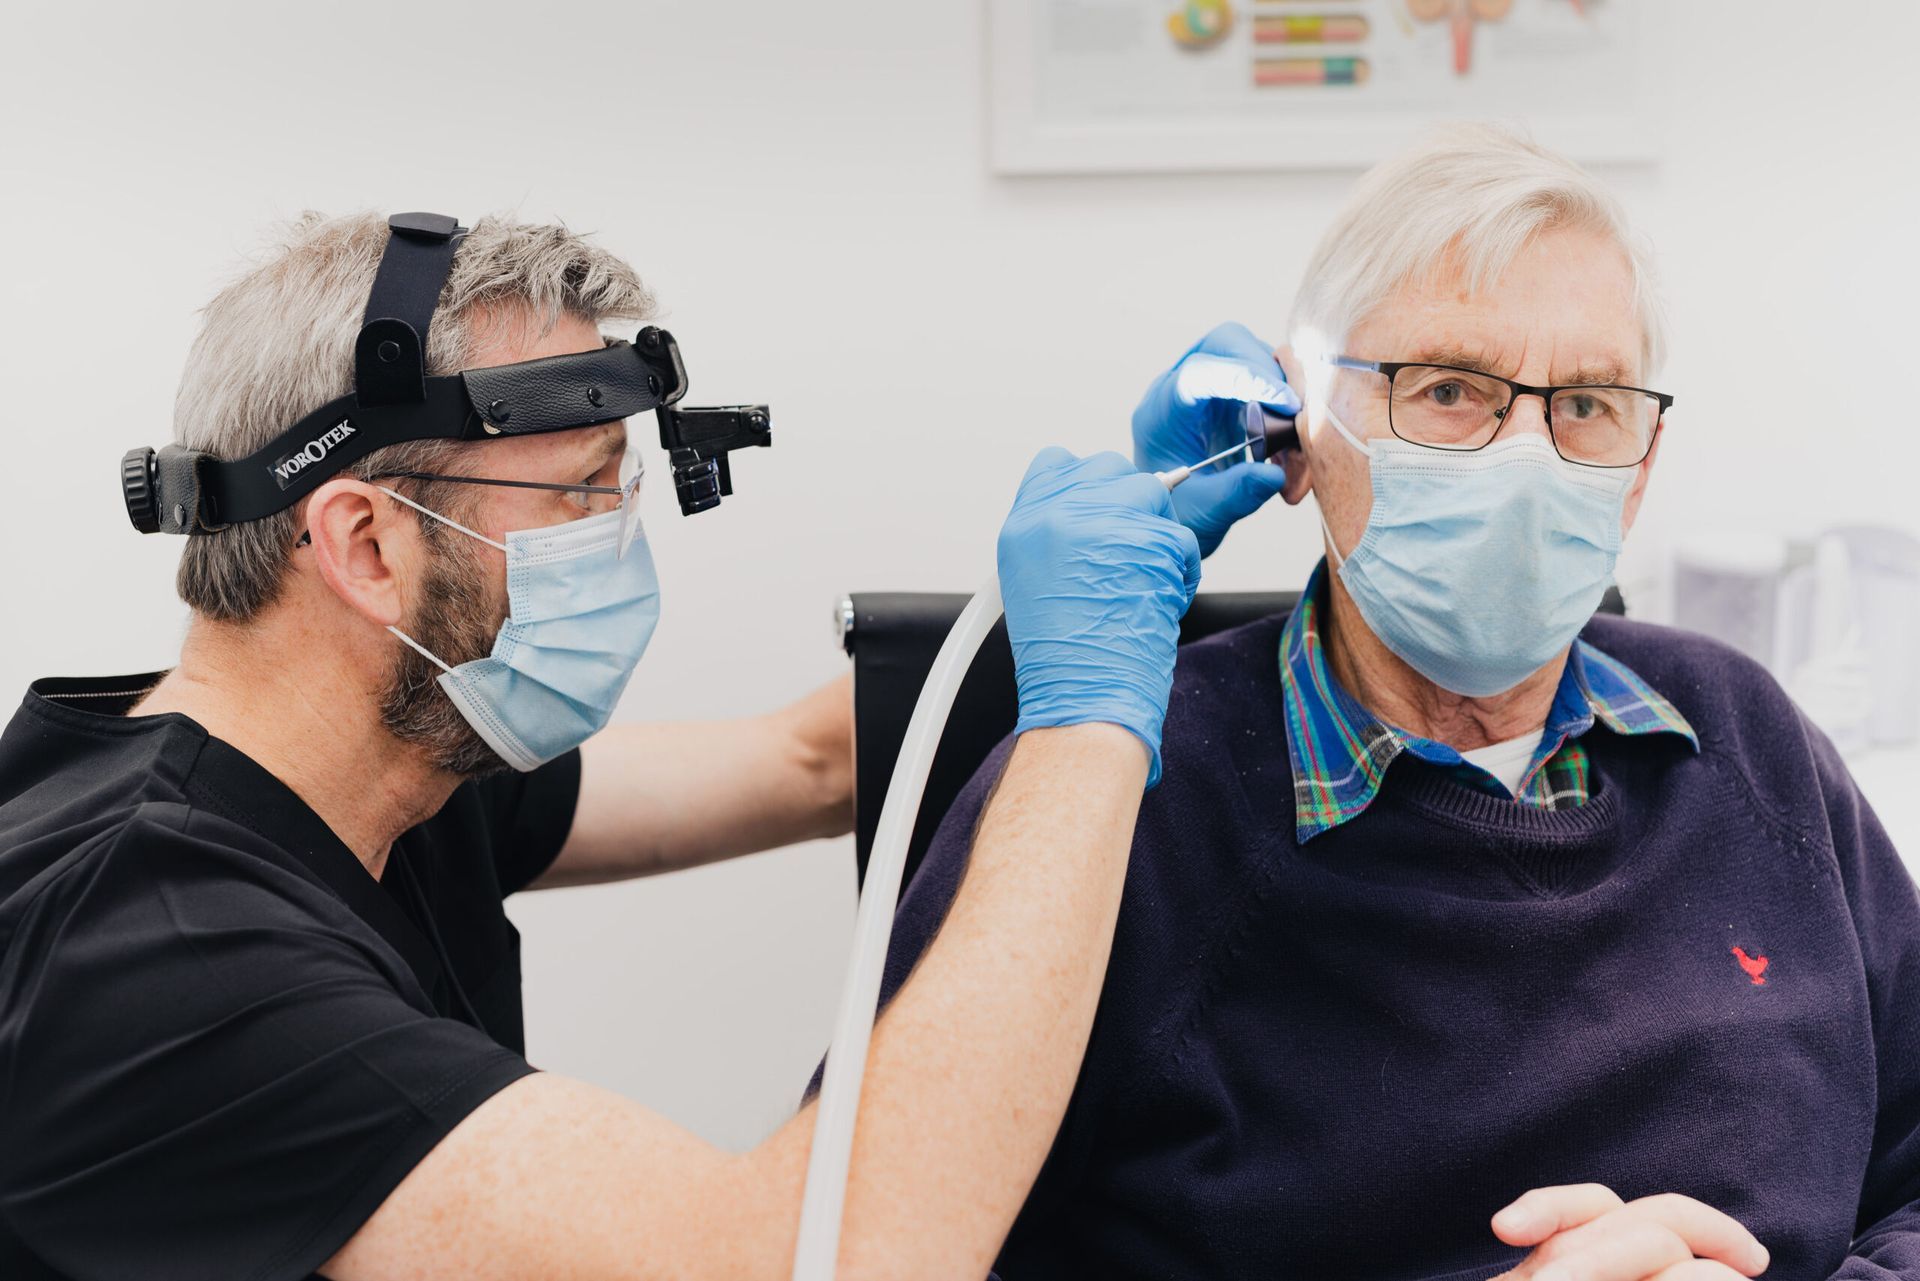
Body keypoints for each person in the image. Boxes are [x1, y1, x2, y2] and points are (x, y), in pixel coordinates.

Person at [0, 211, 1281, 1279]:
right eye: (580, 495)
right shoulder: (154, 947)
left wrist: (1127, 547)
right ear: (366, 545)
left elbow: (810, 764)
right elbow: (822, 1260)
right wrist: (1087, 722)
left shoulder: (371, 773)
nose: (618, 537)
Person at [878, 124, 1920, 1280]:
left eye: (1587, 404)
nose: (1526, 456)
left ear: (1646, 460)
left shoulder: (1743, 736)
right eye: (1450, 390)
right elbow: (879, 1241)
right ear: (1307, 426)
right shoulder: (1117, 791)